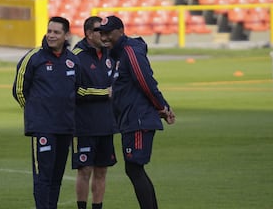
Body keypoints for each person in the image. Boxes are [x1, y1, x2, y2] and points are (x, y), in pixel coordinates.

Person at [94, 15, 176, 209]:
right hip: (129, 119)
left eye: (107, 33)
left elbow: (145, 81)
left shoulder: (130, 52)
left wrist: (161, 107)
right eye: (101, 34)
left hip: (138, 119)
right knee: (133, 169)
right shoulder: (116, 54)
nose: (104, 37)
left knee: (134, 168)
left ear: (121, 31)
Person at [12, 16, 80, 209]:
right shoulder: (34, 57)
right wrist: (35, 113)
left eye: (56, 32)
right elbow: (18, 90)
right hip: (43, 127)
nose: (51, 35)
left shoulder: (73, 61)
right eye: (49, 31)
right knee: (43, 176)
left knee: (56, 176)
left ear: (66, 35)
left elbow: (77, 89)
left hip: (65, 127)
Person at [71, 16, 117, 209]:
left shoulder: (110, 53)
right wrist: (104, 93)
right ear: (89, 33)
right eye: (100, 31)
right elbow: (74, 90)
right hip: (84, 125)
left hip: (106, 123)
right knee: (84, 170)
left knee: (102, 171)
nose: (104, 35)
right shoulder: (76, 56)